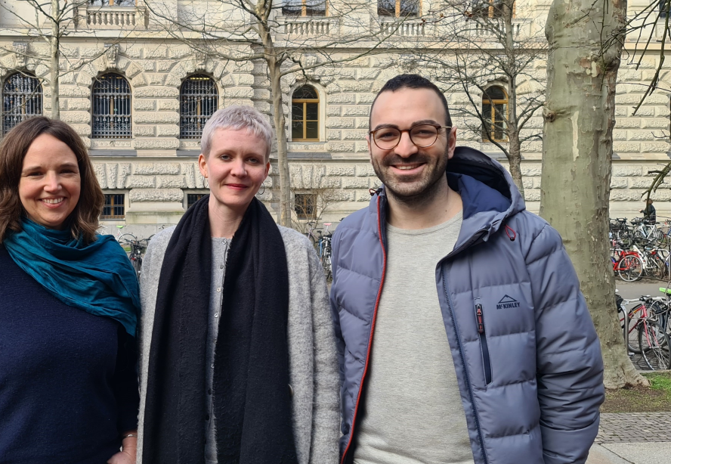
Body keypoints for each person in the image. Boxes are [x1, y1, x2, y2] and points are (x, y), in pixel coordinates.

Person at [329, 74, 604, 464]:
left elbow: (572, 375)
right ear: (371, 145)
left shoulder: (525, 240)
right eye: (387, 134)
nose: (405, 148)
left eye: (423, 131)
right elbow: (338, 367)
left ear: (451, 140)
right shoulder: (349, 239)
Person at [0, 116, 141, 464]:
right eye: (35, 173)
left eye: (66, 170)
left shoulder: (110, 267)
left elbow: (126, 373)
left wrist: (130, 443)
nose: (54, 185)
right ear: (11, 183)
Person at [136, 105, 339, 464]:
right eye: (226, 156)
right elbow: (143, 363)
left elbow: (323, 371)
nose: (238, 170)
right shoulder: (162, 250)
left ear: (266, 169)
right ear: (203, 164)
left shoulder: (295, 252)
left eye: (252, 159)